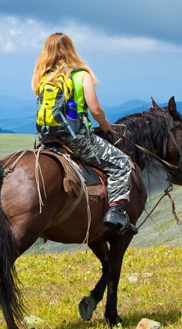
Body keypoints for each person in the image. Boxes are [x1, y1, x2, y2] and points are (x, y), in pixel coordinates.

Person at [32, 32, 136, 234]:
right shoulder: (80, 75)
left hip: (48, 139)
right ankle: (116, 211)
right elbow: (95, 110)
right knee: (122, 164)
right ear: (71, 49)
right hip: (76, 138)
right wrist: (105, 125)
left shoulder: (44, 77)